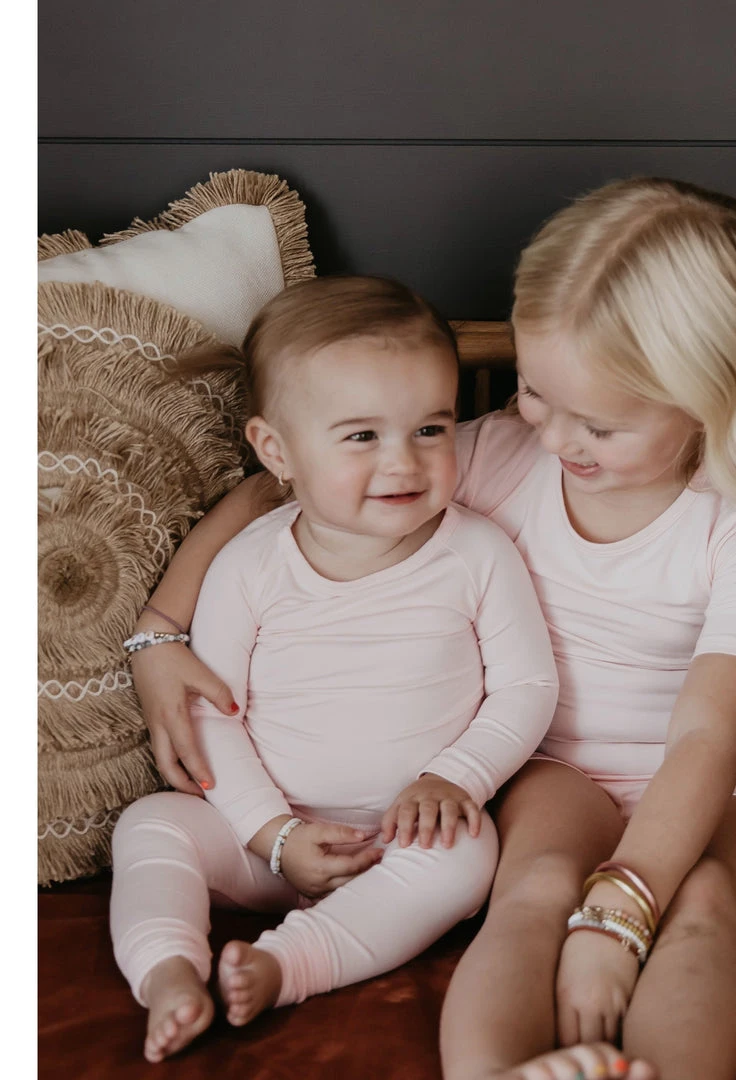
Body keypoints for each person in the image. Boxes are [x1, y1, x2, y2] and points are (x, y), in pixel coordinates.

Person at [128, 178, 736, 1080]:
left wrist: (619, 917)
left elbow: (709, 737)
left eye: (598, 425)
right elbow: (283, 490)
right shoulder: (502, 455)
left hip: (733, 784)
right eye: (535, 393)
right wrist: (159, 634)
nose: (555, 439)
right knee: (534, 894)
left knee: (701, 905)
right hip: (557, 770)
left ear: (710, 395)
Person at [110, 275, 559, 1064]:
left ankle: (291, 964)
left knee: (469, 853)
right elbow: (212, 709)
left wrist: (457, 778)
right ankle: (167, 971)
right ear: (276, 451)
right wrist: (273, 835)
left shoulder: (477, 553)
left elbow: (526, 687)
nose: (404, 462)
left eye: (431, 428)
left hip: (402, 836)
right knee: (150, 826)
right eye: (361, 437)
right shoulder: (250, 564)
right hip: (260, 837)